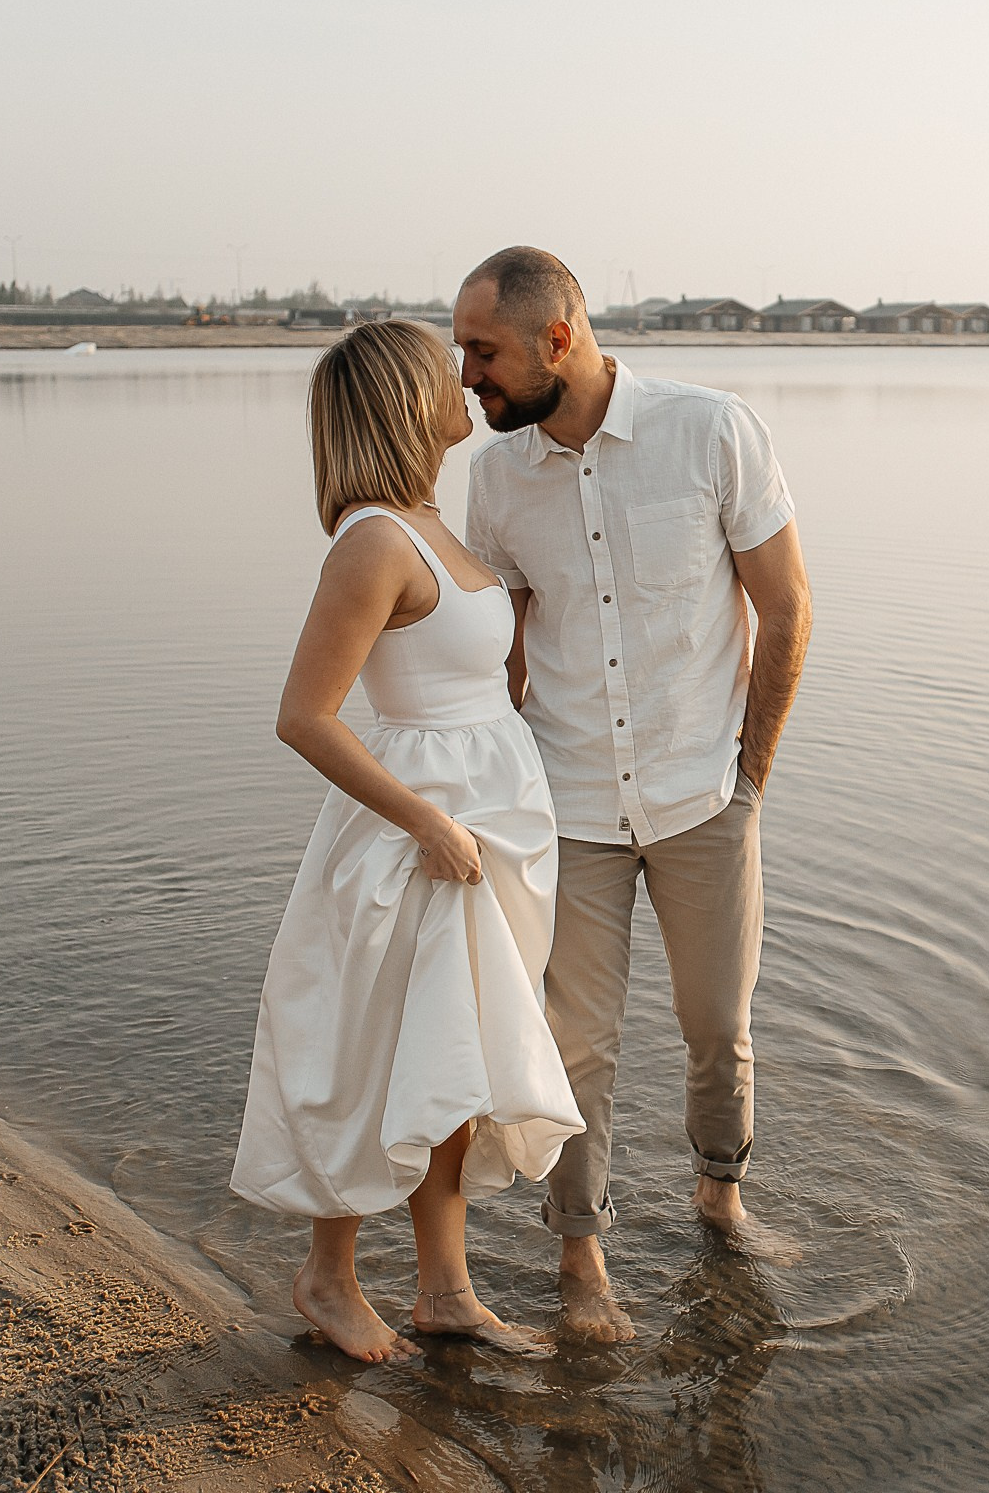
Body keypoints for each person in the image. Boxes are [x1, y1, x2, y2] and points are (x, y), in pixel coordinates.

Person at [456, 246, 814, 1343]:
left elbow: (788, 609)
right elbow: (498, 647)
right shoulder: (495, 476)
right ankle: (583, 1263)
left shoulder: (711, 432)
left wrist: (749, 779)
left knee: (718, 1025)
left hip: (706, 795)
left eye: (484, 351)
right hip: (568, 810)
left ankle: (720, 1194)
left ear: (556, 340)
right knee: (575, 1047)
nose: (467, 376)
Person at [231, 318, 583, 1361]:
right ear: (399, 402)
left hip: (484, 836)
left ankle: (445, 1291)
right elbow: (305, 714)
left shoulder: (438, 523)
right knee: (370, 1050)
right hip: (415, 837)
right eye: (443, 372)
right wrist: (425, 820)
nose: (462, 383)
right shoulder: (377, 539)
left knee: (451, 1060)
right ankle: (327, 1276)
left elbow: (465, 678)